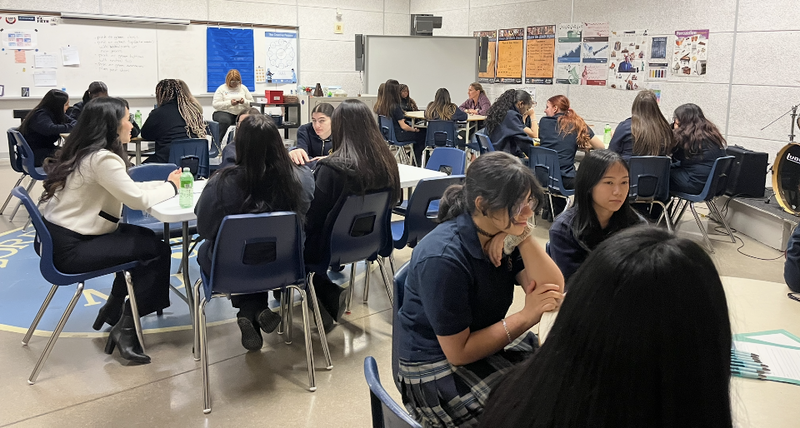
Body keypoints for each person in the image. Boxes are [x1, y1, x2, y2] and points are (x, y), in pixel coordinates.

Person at [480, 227, 732, 428]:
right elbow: (554, 288)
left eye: (623, 182)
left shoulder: (516, 394)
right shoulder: (569, 227)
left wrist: (521, 235)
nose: (618, 190)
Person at [396, 151, 565, 428]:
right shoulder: (444, 257)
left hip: (483, 345)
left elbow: (553, 289)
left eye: (529, 201)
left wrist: (521, 235)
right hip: (434, 369)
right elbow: (458, 353)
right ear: (483, 205)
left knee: (563, 373)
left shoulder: (499, 234)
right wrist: (526, 315)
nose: (528, 212)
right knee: (539, 406)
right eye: (517, 205)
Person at [39, 97, 179, 364]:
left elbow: (129, 189)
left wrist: (161, 184)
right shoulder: (102, 159)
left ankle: (115, 308)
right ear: (112, 126)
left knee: (148, 240)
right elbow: (137, 201)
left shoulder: (85, 152)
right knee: (156, 251)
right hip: (72, 248)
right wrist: (171, 187)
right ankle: (126, 328)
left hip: (63, 237)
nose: (131, 125)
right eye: (127, 119)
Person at [195, 114, 314, 351]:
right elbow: (307, 208)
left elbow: (204, 227)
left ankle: (251, 309)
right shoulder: (300, 179)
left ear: (238, 146)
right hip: (285, 265)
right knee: (259, 253)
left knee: (225, 252)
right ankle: (255, 310)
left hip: (230, 270)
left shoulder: (221, 184)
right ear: (279, 144)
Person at [304, 99, 400, 331]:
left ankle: (325, 292)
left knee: (294, 243)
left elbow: (313, 218)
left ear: (339, 128)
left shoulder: (331, 168)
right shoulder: (387, 164)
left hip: (332, 247)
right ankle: (325, 294)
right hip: (372, 243)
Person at [548, 150, 646, 283]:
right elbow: (574, 285)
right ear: (588, 185)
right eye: (609, 183)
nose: (618, 192)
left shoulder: (637, 225)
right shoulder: (564, 229)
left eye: (624, 182)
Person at [536, 95, 604, 219]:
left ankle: (554, 210)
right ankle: (582, 218)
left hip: (543, 177)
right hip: (564, 179)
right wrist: (577, 145)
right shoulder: (576, 123)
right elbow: (601, 147)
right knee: (590, 179)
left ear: (555, 108)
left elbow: (555, 141)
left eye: (547, 107)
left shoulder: (543, 122)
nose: (545, 110)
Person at [141, 79, 206, 164]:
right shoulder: (192, 112)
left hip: (167, 162)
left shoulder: (159, 113)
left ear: (161, 95)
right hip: (194, 161)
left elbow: (145, 134)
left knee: (137, 170)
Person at [670, 103, 727, 194]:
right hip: (712, 184)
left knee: (661, 176)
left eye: (675, 121)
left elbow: (673, 155)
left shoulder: (686, 137)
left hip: (695, 183)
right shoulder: (709, 133)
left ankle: (658, 207)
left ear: (682, 121)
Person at [609, 90, 674, 162]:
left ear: (634, 106)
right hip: (658, 172)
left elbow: (611, 153)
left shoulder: (624, 127)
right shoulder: (665, 128)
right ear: (656, 108)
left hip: (628, 171)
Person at [374, 79, 427, 165]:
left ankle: (414, 158)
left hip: (389, 136)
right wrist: (414, 130)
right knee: (423, 134)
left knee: (419, 135)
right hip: (399, 135)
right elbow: (403, 126)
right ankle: (418, 162)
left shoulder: (382, 106)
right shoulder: (395, 107)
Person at [18, 89, 77, 167]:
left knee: (74, 153)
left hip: (42, 150)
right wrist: (71, 126)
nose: (68, 107)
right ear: (57, 106)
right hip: (36, 155)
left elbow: (75, 122)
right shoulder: (40, 115)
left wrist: (72, 125)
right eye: (66, 104)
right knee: (75, 156)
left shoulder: (54, 113)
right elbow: (51, 129)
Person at [67, 81, 141, 139]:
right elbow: (74, 126)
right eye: (97, 97)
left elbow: (135, 131)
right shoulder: (81, 107)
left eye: (104, 97)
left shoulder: (112, 106)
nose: (100, 101)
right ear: (90, 95)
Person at [484, 89, 536, 158]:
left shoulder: (499, 112)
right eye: (527, 109)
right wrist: (535, 156)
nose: (525, 112)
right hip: (503, 159)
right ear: (521, 104)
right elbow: (523, 141)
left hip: (494, 155)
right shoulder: (511, 115)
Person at [211, 69, 254, 137]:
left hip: (240, 113)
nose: (235, 83)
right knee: (224, 121)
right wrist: (230, 103)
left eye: (237, 81)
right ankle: (216, 143)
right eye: (233, 82)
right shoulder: (221, 89)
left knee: (251, 120)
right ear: (228, 80)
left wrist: (244, 102)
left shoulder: (243, 88)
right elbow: (215, 104)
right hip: (224, 112)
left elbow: (252, 103)